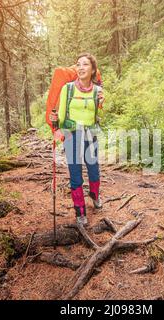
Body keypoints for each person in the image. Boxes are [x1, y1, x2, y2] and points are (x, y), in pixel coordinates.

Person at [49, 53, 105, 225]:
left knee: (94, 170)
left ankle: (94, 195)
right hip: (72, 135)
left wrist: (102, 103)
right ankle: (80, 210)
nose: (80, 67)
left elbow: (99, 115)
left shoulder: (97, 90)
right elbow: (61, 112)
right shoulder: (68, 88)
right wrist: (56, 124)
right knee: (75, 174)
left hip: (90, 134)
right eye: (78, 64)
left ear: (93, 69)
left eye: (85, 64)